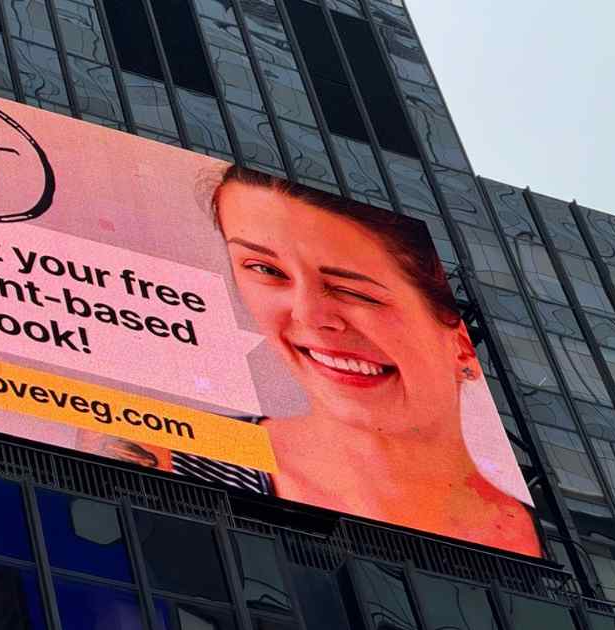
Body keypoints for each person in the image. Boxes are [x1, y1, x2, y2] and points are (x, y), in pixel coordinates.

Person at [84, 165, 540, 556]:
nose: (307, 316)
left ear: (460, 340)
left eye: (354, 291)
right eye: (265, 270)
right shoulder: (164, 455)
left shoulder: (555, 549)